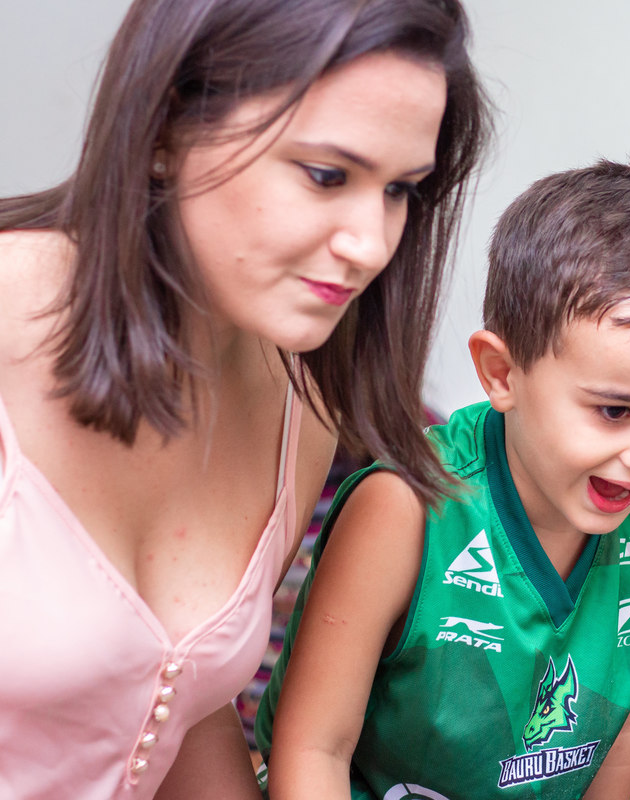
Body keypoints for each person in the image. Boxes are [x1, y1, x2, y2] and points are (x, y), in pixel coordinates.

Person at [0, 0, 489, 797]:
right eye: (326, 175)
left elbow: (177, 714)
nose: (370, 242)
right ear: (164, 134)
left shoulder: (301, 407)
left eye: (400, 190)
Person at [254, 158, 630, 800]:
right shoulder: (406, 506)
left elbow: (618, 723)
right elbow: (312, 750)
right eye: (615, 410)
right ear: (501, 374)